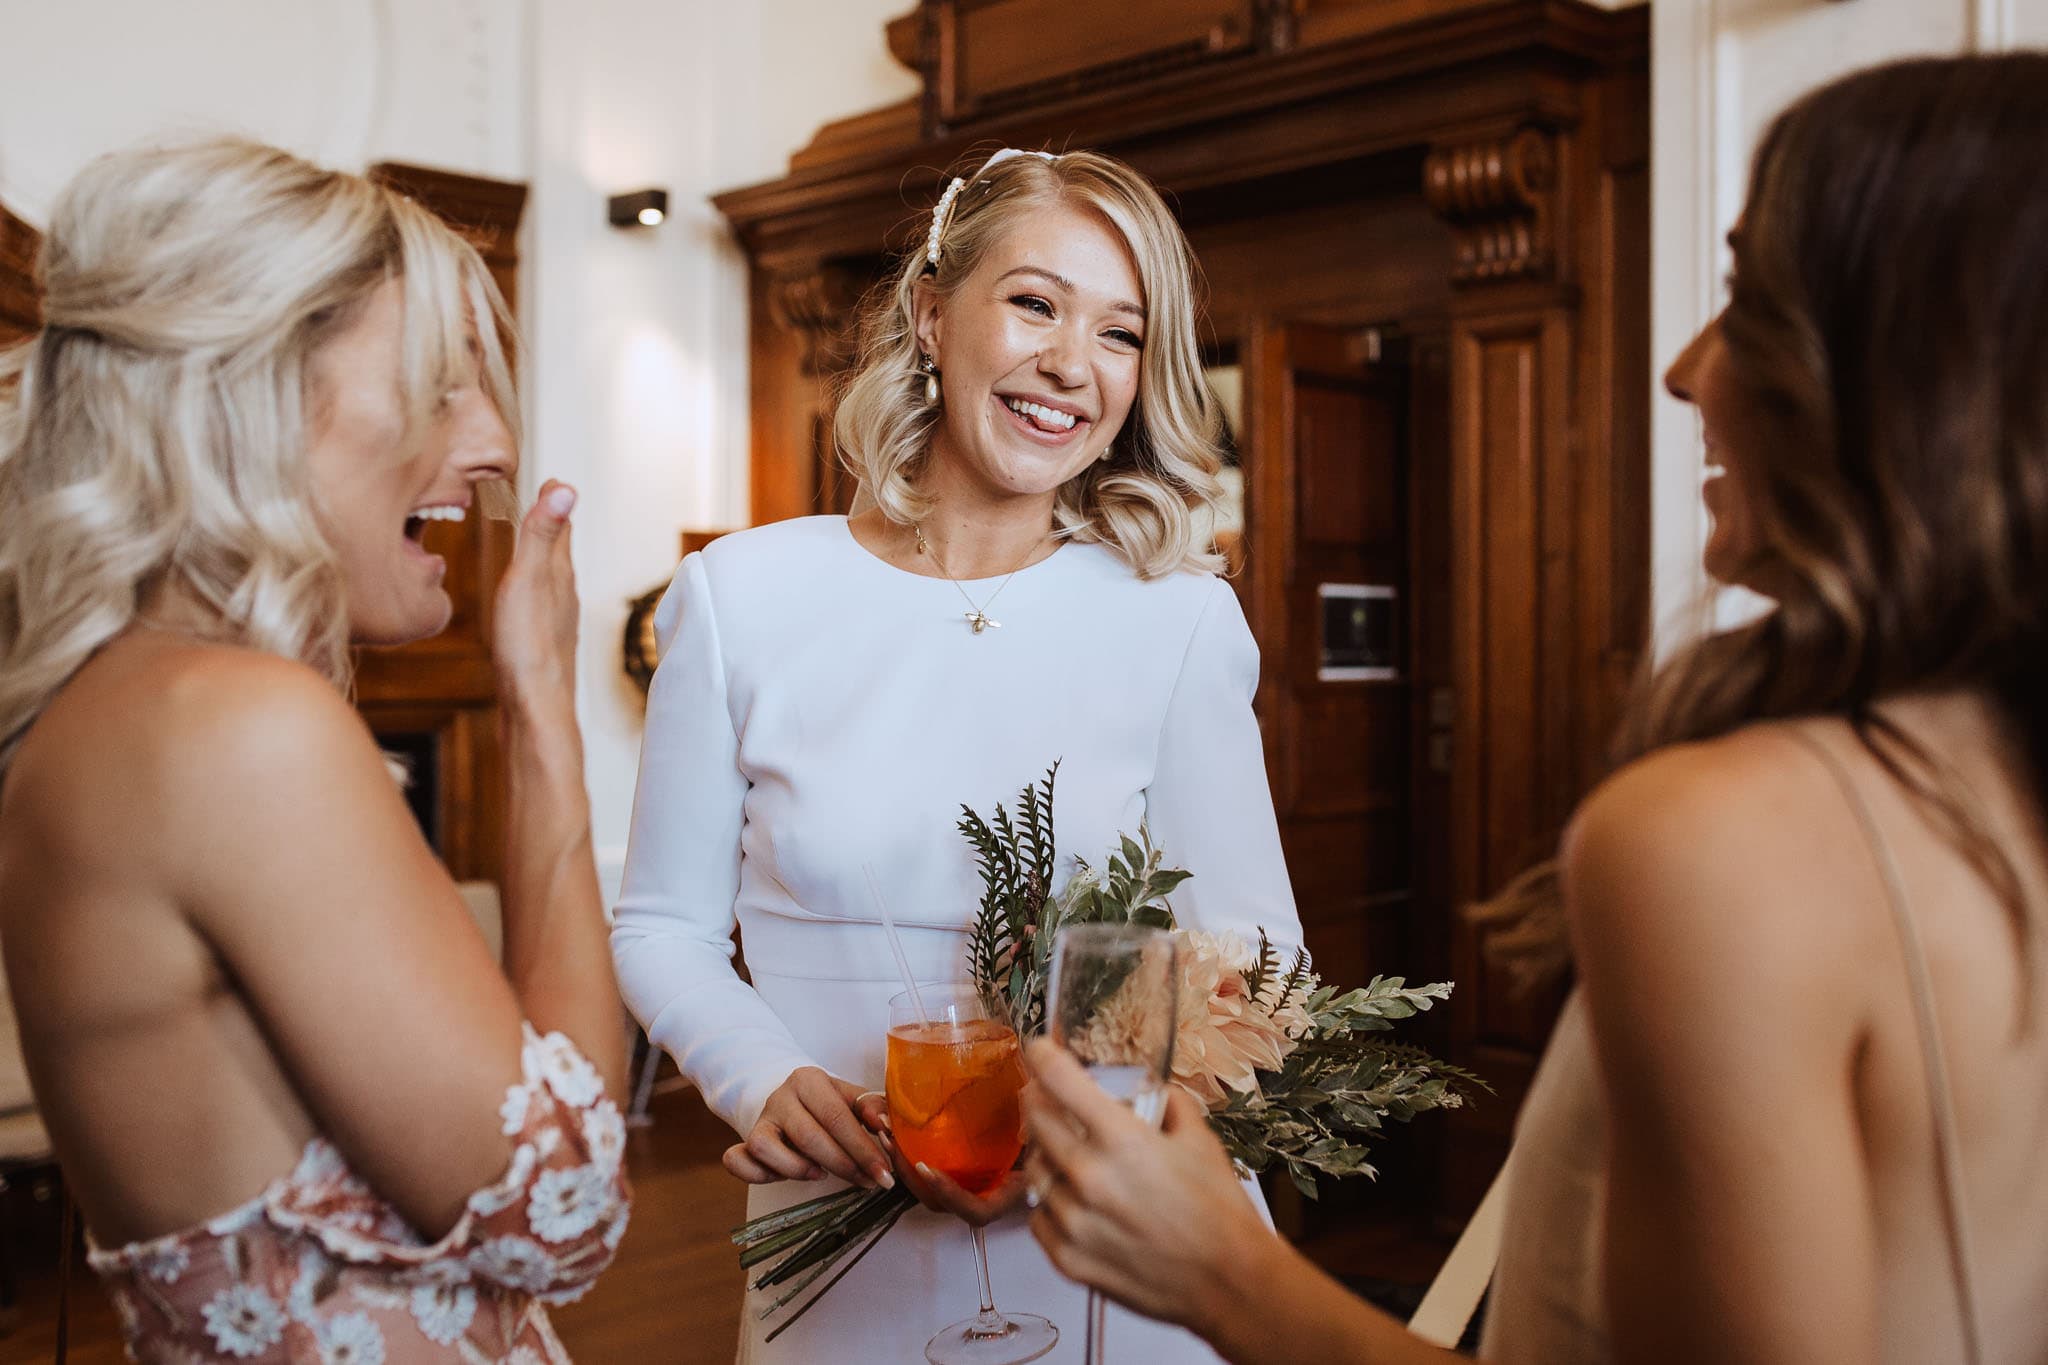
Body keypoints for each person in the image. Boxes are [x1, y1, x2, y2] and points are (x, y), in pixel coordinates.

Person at [1018, 51, 2048, 1365]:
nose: (1681, 370)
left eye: (1746, 298)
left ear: (1911, 364)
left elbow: (1249, 953)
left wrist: (1221, 1267)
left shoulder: (1722, 833)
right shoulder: (1995, 776)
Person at [612, 147, 1302, 1362]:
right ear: (931, 315)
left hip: (1111, 1246)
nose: (1070, 366)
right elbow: (661, 922)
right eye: (1034, 302)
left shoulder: (1177, 619)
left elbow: (1251, 957)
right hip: (836, 1237)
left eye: (1120, 334)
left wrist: (1082, 1123)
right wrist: (762, 1080)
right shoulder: (740, 596)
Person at [0, 139, 630, 1362]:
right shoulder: (241, 728)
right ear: (258, 394)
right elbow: (564, 1212)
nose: (496, 444)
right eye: (441, 382)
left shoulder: (93, 713)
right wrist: (541, 712)